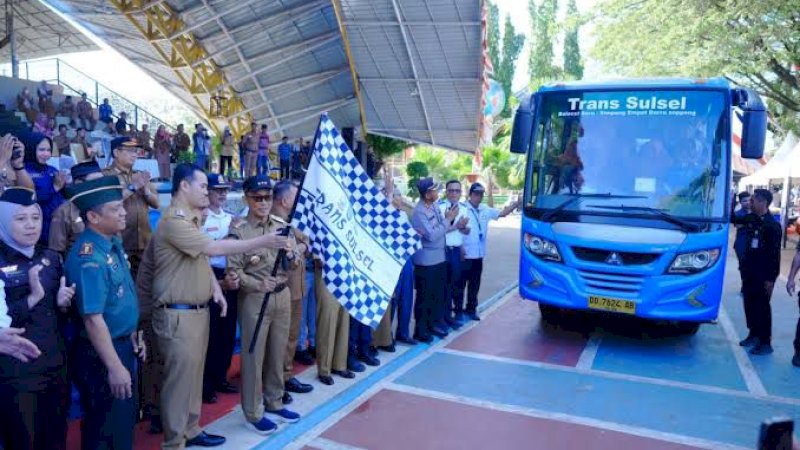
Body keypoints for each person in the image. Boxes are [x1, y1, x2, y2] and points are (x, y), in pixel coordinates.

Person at [151, 164, 291, 449]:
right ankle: (174, 441)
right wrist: (263, 240)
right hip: (178, 313)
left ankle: (191, 429)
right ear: (184, 187)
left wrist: (214, 288)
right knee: (179, 384)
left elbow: (197, 259)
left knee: (192, 380)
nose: (208, 191)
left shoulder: (190, 220)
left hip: (197, 310)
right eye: (203, 186)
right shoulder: (174, 221)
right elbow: (212, 250)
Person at [65, 175, 144, 450]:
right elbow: (92, 319)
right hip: (101, 354)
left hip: (120, 343)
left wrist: (132, 332)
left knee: (121, 422)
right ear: (93, 217)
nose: (124, 212)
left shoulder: (112, 243)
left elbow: (119, 300)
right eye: (115, 209)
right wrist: (114, 367)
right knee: (106, 427)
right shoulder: (90, 258)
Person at [0, 187, 75, 450]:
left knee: (54, 439)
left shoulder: (51, 257)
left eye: (36, 217)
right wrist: (31, 298)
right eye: (20, 219)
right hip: (15, 371)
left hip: (54, 364)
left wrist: (64, 303)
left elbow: (61, 314)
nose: (31, 225)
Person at [227, 176, 302, 434]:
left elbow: (293, 260)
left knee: (277, 352)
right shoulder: (239, 230)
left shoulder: (282, 225)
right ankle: (253, 411)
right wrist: (256, 285)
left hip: (282, 294)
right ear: (247, 198)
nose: (263, 203)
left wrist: (293, 255)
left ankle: (274, 401)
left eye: (267, 197)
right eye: (257, 198)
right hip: (255, 299)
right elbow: (234, 270)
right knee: (253, 356)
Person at [201, 174, 241, 404]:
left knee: (227, 332)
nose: (223, 194)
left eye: (225, 190)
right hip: (210, 275)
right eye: (218, 190)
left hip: (230, 273)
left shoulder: (230, 217)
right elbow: (210, 249)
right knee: (212, 332)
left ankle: (221, 377)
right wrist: (232, 234)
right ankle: (206, 384)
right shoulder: (203, 219)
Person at [273, 180, 314, 403]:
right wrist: (300, 248)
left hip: (297, 287)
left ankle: (287, 375)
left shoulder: (293, 221)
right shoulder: (273, 223)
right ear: (285, 200)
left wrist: (299, 248)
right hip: (281, 289)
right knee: (279, 339)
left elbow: (306, 242)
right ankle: (276, 380)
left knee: (291, 337)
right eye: (296, 196)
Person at [460, 182, 519, 321]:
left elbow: (502, 213)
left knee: (475, 284)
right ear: (470, 194)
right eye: (476, 194)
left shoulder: (485, 209)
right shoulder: (462, 209)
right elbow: (456, 230)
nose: (478, 197)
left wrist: (516, 204)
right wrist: (460, 248)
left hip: (479, 254)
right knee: (460, 285)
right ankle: (457, 311)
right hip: (465, 254)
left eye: (481, 194)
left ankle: (471, 309)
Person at [733, 188, 781, 355]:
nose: (749, 203)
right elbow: (733, 219)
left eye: (753, 201)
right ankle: (753, 334)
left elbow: (775, 256)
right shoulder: (751, 218)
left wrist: (770, 279)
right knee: (750, 304)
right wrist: (730, 199)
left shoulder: (772, 226)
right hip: (749, 271)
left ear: (763, 203)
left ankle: (765, 342)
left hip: (763, 274)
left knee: (762, 307)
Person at [411, 177, 460, 342]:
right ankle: (421, 330)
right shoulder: (419, 212)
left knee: (436, 295)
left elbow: (441, 229)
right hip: (426, 261)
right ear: (426, 194)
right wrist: (448, 219)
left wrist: (454, 223)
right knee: (424, 297)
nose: (437, 192)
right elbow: (432, 235)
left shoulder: (433, 206)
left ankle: (432, 325)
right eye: (434, 190)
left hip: (439, 257)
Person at [103, 136, 159, 278]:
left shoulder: (139, 174)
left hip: (144, 240)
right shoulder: (106, 175)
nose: (134, 154)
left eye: (135, 150)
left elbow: (156, 203)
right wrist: (134, 187)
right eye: (129, 150)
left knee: (145, 284)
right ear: (116, 152)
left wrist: (145, 190)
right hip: (121, 241)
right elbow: (109, 201)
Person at [48, 161, 103, 256]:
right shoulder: (63, 212)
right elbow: (56, 251)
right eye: (95, 181)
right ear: (79, 183)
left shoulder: (107, 206)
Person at [22, 132, 66, 246]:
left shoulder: (51, 169)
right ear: (30, 149)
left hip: (60, 222)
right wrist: (55, 188)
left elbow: (63, 192)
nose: (46, 154)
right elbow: (30, 198)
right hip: (41, 226)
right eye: (41, 150)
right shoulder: (23, 172)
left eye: (48, 150)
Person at [315, 257, 353, 385]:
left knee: (344, 321)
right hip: (327, 274)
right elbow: (318, 258)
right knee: (327, 322)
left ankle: (339, 365)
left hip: (345, 274)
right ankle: (324, 369)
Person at [439, 180, 470, 326]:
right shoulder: (439, 207)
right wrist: (457, 225)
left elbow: (466, 231)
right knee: (443, 285)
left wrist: (463, 228)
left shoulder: (464, 208)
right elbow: (440, 231)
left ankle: (450, 316)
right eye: (451, 190)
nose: (454, 194)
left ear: (461, 193)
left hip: (456, 250)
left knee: (454, 284)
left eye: (457, 191)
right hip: (443, 251)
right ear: (446, 191)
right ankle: (443, 318)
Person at [733, 191, 751, 291]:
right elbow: (738, 225)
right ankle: (745, 285)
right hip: (741, 244)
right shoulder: (737, 214)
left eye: (749, 200)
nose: (747, 202)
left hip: (754, 244)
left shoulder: (756, 212)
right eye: (744, 201)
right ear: (740, 202)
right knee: (743, 266)